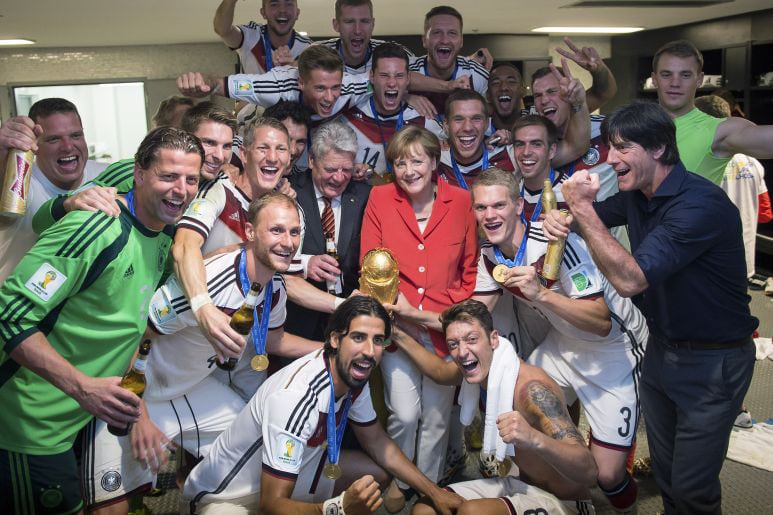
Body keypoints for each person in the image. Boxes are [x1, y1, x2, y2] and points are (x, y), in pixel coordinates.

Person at [543, 100, 757, 514]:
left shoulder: (699, 205)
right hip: (663, 351)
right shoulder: (639, 194)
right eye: (609, 147)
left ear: (658, 148)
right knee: (667, 473)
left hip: (714, 362)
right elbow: (583, 216)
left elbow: (629, 279)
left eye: (623, 148)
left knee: (694, 487)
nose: (610, 159)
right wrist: (562, 216)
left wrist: (582, 209)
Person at [0, 127, 203, 515]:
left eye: (190, 179)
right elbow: (10, 317)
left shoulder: (163, 238)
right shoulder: (93, 228)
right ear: (139, 174)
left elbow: (131, 328)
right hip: (27, 426)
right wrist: (83, 388)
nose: (181, 190)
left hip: (74, 422)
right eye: (168, 176)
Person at [83, 193, 322, 512]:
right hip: (140, 389)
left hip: (194, 389)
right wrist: (137, 413)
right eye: (276, 230)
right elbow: (137, 335)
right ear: (250, 233)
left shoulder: (275, 289)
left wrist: (328, 349)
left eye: (294, 232)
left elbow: (275, 340)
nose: (288, 241)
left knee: (260, 454)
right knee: (111, 506)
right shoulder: (208, 279)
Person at [181, 296, 464, 515]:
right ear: (335, 339)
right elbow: (271, 505)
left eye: (378, 340)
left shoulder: (353, 374)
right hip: (226, 496)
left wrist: (433, 491)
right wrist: (338, 507)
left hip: (294, 473)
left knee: (373, 476)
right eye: (358, 337)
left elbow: (377, 441)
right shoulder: (296, 397)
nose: (369, 351)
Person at [471, 167, 647, 513]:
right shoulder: (490, 256)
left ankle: (625, 501)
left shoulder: (556, 241)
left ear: (519, 205)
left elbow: (601, 323)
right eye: (481, 208)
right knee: (513, 401)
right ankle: (551, 497)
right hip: (563, 344)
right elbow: (472, 315)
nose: (490, 215)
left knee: (607, 476)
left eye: (499, 206)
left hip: (613, 351)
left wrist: (541, 294)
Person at [360, 125, 478, 509]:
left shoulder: (461, 201)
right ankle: (402, 477)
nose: (408, 170)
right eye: (399, 162)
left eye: (416, 160)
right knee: (406, 413)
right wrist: (397, 314)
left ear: (433, 162)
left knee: (438, 418)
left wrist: (441, 315)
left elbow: (469, 271)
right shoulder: (380, 198)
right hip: (399, 327)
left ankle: (425, 487)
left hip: (446, 328)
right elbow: (370, 264)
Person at [390, 300, 597, 515]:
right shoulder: (480, 366)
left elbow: (589, 471)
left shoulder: (532, 391)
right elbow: (440, 372)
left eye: (472, 339)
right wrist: (395, 332)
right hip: (521, 485)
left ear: (493, 339)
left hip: (569, 504)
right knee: (425, 508)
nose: (462, 352)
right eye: (453, 344)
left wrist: (534, 438)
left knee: (472, 513)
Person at [30, 101, 238, 234]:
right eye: (209, 143)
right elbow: (42, 223)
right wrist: (68, 203)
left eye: (227, 146)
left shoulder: (220, 185)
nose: (219, 156)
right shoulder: (132, 171)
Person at [0, 98, 107, 281]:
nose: (67, 147)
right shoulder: (20, 185)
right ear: (35, 146)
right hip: (18, 304)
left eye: (75, 135)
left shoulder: (107, 176)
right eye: (53, 139)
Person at [285, 121, 371, 341]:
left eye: (347, 170)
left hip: (350, 324)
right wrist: (307, 262)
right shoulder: (287, 191)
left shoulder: (366, 196)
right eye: (331, 169)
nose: (340, 177)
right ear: (312, 160)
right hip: (295, 323)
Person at [650, 39, 773, 185]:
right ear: (654, 79)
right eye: (666, 74)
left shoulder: (717, 131)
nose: (675, 83)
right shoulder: (632, 127)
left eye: (685, 75)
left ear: (699, 80)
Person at [437, 74, 590, 191]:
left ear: (486, 124)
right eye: (458, 119)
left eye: (476, 119)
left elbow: (575, 147)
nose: (468, 127)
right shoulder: (435, 161)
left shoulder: (511, 156)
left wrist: (578, 104)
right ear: (446, 126)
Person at [177, 45, 370, 123]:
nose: (330, 97)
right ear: (301, 82)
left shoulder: (350, 87)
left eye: (335, 87)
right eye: (320, 88)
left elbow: (379, 81)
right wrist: (202, 83)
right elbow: (221, 84)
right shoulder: (274, 86)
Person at [694, 94, 772, 283]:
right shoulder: (753, 163)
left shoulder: (697, 162)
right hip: (743, 263)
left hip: (707, 264)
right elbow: (765, 213)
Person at [340, 42, 444, 178]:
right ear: (371, 77)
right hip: (356, 196)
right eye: (384, 75)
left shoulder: (424, 120)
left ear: (408, 79)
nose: (392, 82)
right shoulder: (348, 115)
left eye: (399, 76)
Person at [408, 6, 491, 117]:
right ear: (424, 40)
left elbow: (492, 117)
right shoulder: (409, 68)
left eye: (452, 33)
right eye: (437, 32)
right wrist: (405, 97)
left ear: (461, 41)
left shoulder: (476, 75)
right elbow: (392, 82)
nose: (445, 40)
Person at [214, 0, 311, 74]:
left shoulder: (308, 47)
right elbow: (222, 30)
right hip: (253, 100)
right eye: (274, 4)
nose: (282, 10)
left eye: (289, 3)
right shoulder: (251, 35)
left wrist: (292, 68)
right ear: (263, 13)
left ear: (297, 13)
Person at [263, 100, 311, 176]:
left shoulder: (302, 176)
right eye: (287, 139)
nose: (293, 151)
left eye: (300, 142)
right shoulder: (239, 159)